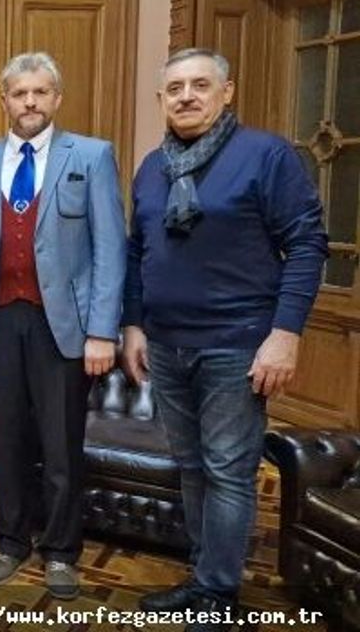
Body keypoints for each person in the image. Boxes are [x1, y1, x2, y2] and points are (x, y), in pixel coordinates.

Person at [125, 48, 327, 630]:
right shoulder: (152, 166)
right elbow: (140, 251)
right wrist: (135, 324)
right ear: (162, 99)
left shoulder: (266, 156)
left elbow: (307, 245)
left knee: (228, 469)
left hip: (237, 345)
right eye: (174, 88)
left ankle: (217, 594)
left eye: (200, 85)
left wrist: (284, 333)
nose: (186, 96)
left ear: (226, 92)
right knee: (191, 465)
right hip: (165, 343)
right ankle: (202, 576)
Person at [0, 52, 126, 599]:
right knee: (4, 441)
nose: (28, 102)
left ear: (56, 98)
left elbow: (110, 250)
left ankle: (60, 551)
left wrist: (103, 331)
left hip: (66, 328)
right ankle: (10, 542)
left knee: (60, 445)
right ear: (3, 100)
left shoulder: (93, 156)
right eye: (18, 93)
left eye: (39, 92)